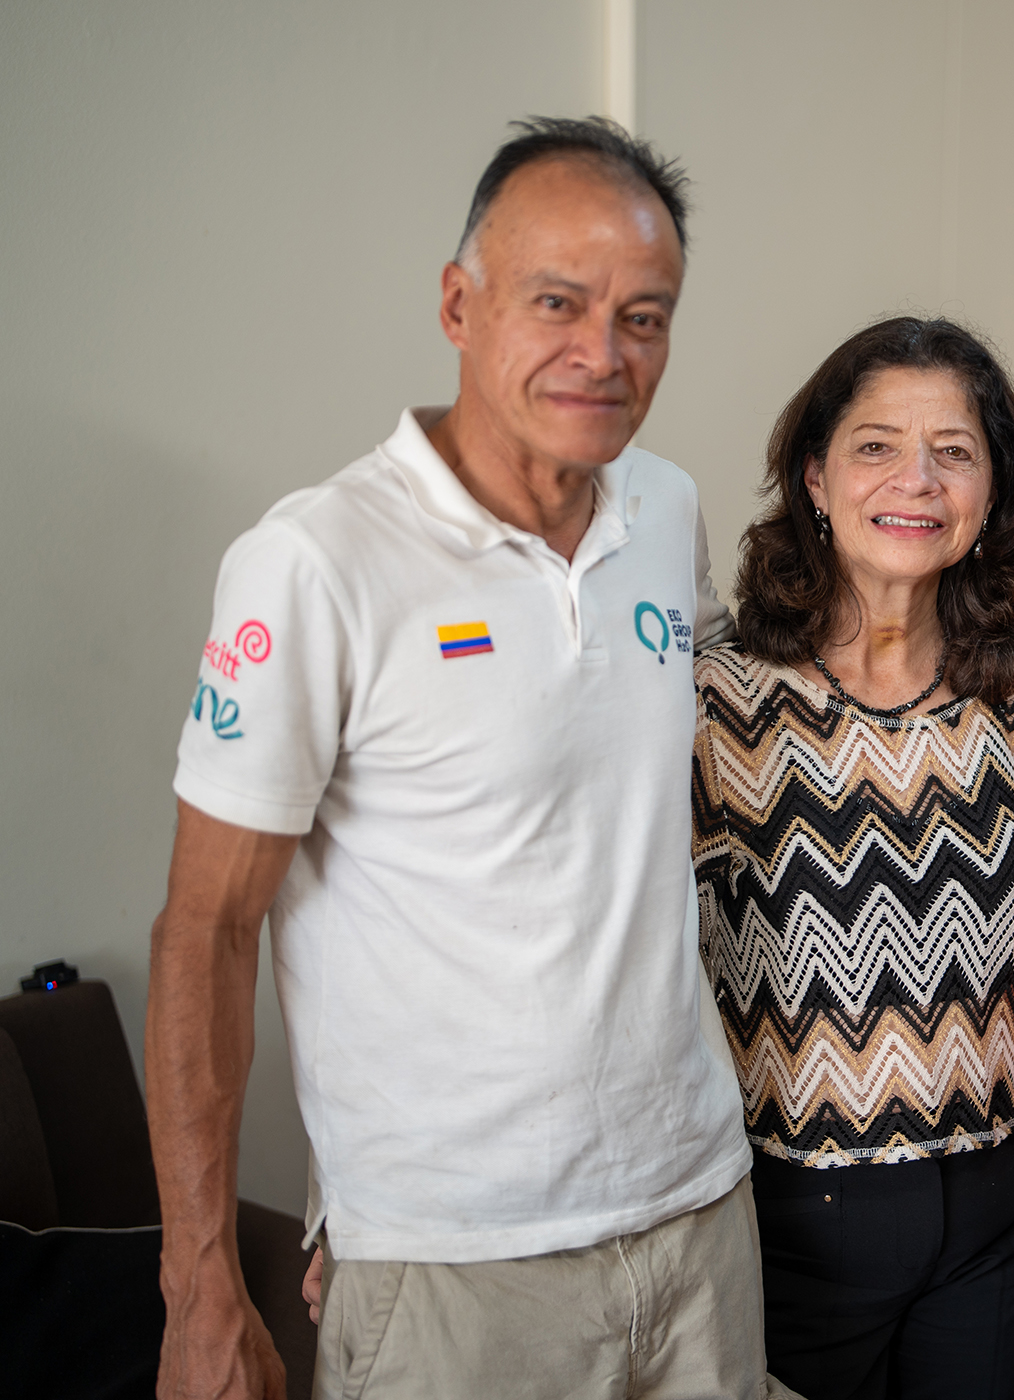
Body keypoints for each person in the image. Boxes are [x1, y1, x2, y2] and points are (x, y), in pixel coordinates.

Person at [147, 116, 788, 1400]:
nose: (603, 353)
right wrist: (202, 1286)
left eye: (645, 316)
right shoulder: (316, 559)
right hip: (456, 1267)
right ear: (459, 301)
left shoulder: (663, 508)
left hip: (699, 1209)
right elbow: (205, 931)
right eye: (558, 301)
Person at [690, 316, 1014, 1400]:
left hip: (1002, 1200)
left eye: (955, 451)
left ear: (990, 494)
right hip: (788, 1206)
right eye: (877, 444)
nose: (916, 478)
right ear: (815, 478)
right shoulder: (711, 698)